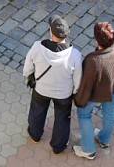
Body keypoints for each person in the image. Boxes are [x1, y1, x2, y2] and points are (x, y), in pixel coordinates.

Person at [73, 22, 114, 160]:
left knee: (84, 115)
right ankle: (104, 139)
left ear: (97, 39)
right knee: (110, 111)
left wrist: (79, 101)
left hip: (96, 94)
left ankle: (88, 150)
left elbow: (86, 84)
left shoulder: (93, 60)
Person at [24, 15, 83, 154]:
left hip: (41, 90)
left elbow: (27, 68)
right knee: (62, 118)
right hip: (63, 94)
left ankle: (35, 134)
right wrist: (75, 92)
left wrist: (29, 78)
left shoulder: (37, 47)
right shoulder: (74, 55)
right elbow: (78, 78)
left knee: (37, 112)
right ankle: (58, 146)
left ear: (50, 31)